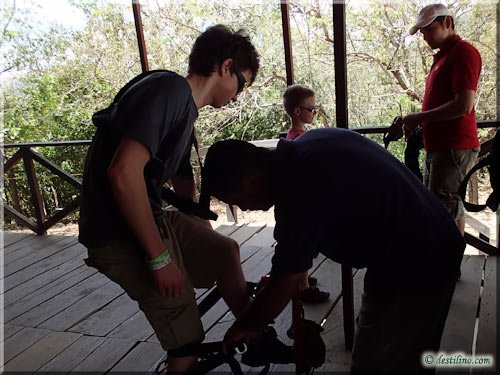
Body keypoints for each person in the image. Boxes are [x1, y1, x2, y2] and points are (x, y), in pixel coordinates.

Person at [200, 128, 465, 372]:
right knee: (393, 353)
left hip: (420, 260)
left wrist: (244, 326)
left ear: (251, 182)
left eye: (238, 202)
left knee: (382, 363)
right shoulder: (306, 147)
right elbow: (291, 259)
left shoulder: (299, 186)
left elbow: (286, 279)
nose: (245, 209)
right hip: (407, 251)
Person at [78, 24, 260, 373]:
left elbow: (180, 181)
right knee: (186, 339)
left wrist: (199, 231)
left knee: (226, 252)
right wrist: (161, 259)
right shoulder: (169, 91)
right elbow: (123, 172)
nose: (238, 95)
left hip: (151, 215)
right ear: (225, 67)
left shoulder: (183, 107)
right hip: (117, 232)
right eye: (242, 83)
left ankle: (253, 333)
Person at [402, 3, 482, 236]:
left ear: (447, 23)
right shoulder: (444, 57)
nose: (424, 36)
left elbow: (463, 105)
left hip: (454, 146)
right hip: (440, 146)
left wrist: (418, 117)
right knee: (445, 206)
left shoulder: (464, 52)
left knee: (443, 210)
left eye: (428, 29)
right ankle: (449, 265)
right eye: (422, 32)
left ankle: (442, 268)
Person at [283, 84, 330, 305]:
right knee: (306, 244)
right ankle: (302, 287)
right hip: (303, 202)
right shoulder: (299, 138)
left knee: (305, 243)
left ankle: (302, 280)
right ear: (297, 112)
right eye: (311, 108)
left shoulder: (293, 135)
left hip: (298, 200)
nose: (314, 112)